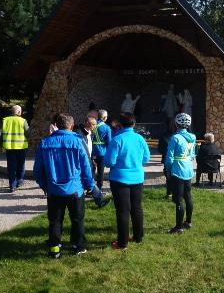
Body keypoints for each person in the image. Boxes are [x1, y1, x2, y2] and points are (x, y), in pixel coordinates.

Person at [33, 113, 108, 259]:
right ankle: (78, 246)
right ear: (71, 126)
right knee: (77, 219)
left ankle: (55, 249)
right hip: (75, 189)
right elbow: (86, 167)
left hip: (54, 190)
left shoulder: (45, 143)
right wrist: (90, 185)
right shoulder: (78, 141)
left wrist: (45, 185)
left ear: (57, 125)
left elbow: (37, 171)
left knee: (55, 220)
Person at [104, 113, 150, 250]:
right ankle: (138, 237)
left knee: (123, 211)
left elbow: (109, 162)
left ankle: (122, 243)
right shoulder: (140, 138)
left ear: (120, 124)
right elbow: (146, 157)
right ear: (134, 124)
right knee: (136, 208)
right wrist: (136, 163)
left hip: (119, 179)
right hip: (137, 178)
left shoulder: (117, 139)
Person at [165, 113, 196, 234]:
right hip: (188, 168)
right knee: (188, 196)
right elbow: (192, 155)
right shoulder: (192, 136)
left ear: (176, 124)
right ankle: (188, 222)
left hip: (177, 169)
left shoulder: (175, 138)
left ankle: (178, 228)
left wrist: (168, 170)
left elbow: (169, 158)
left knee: (178, 199)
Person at [0, 105, 29, 192]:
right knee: (21, 165)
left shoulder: (5, 120)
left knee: (11, 166)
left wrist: (1, 144)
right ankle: (19, 181)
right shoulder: (23, 121)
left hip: (9, 147)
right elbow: (28, 133)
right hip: (21, 147)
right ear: (19, 112)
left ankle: (12, 185)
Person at [91, 110, 112, 190]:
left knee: (91, 169)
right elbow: (109, 142)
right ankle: (99, 188)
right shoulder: (106, 127)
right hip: (101, 152)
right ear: (104, 117)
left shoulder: (92, 124)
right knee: (100, 171)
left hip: (91, 150)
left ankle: (90, 188)